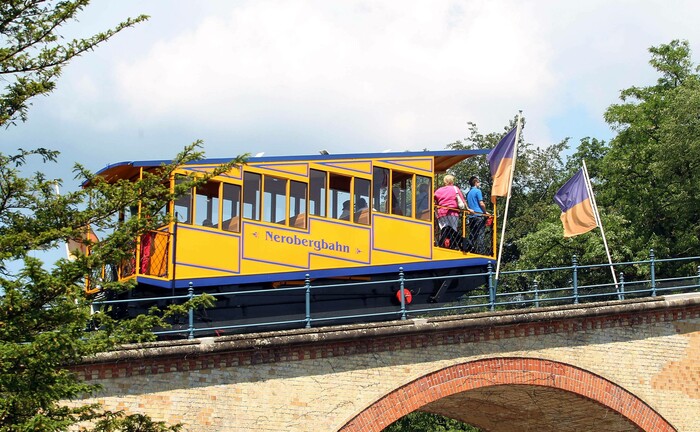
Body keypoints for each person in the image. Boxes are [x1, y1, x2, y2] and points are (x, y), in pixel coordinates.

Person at [433, 174, 469, 249]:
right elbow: (462, 200)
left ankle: (442, 244)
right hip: (453, 212)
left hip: (441, 213)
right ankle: (452, 246)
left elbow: (433, 197)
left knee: (443, 230)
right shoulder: (455, 189)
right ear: (452, 181)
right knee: (453, 230)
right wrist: (467, 208)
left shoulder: (439, 190)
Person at [466, 176, 487, 253]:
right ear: (475, 183)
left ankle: (471, 249)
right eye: (478, 182)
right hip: (479, 215)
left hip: (471, 216)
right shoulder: (478, 191)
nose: (479, 183)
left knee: (472, 234)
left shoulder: (468, 193)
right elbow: (481, 203)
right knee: (480, 234)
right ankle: (481, 251)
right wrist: (485, 212)